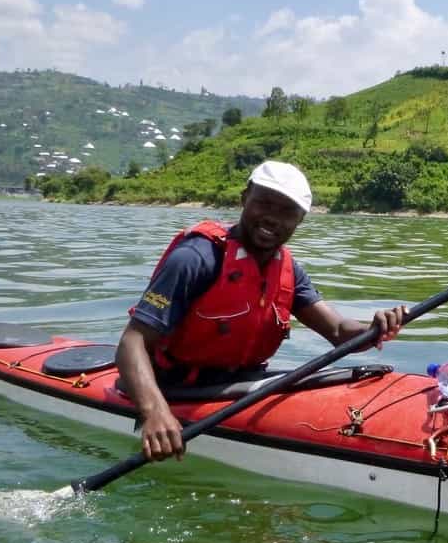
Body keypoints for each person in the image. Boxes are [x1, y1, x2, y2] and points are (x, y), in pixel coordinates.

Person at [117, 160, 406, 462]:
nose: (272, 218)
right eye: (264, 203)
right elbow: (132, 342)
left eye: (287, 211)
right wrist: (154, 411)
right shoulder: (195, 258)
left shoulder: (288, 270)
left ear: (300, 220)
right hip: (174, 386)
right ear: (244, 199)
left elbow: (337, 331)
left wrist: (374, 329)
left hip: (243, 383)